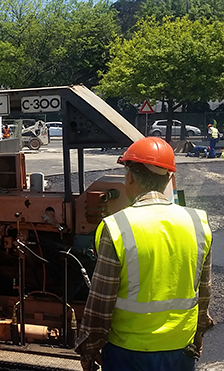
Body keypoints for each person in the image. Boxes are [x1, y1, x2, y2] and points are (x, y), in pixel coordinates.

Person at [76, 137, 214, 371]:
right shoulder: (197, 222)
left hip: (129, 350)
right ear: (168, 178)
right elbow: (204, 291)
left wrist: (90, 347)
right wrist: (199, 334)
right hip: (180, 346)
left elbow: (101, 299)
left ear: (129, 177)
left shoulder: (117, 226)